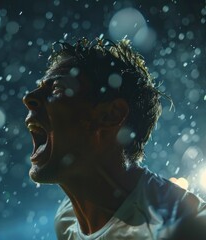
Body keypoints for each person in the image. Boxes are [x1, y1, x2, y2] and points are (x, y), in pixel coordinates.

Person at [22, 37, 206, 239]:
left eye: (56, 87)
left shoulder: (184, 226)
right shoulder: (66, 221)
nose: (28, 98)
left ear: (111, 115)